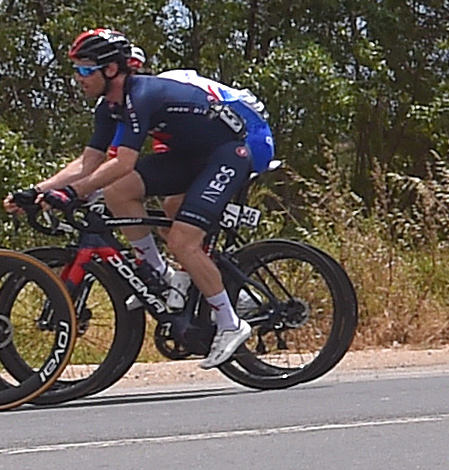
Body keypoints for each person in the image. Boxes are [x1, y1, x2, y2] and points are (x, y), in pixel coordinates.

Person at [38, 29, 273, 347]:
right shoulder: (110, 106)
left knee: (182, 238)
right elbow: (90, 162)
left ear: (111, 69)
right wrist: (39, 190)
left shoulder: (141, 96)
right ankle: (161, 276)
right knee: (121, 192)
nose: (78, 78)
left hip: (239, 146)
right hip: (195, 152)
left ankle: (230, 322)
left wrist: (74, 192)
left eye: (84, 70)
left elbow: (122, 162)